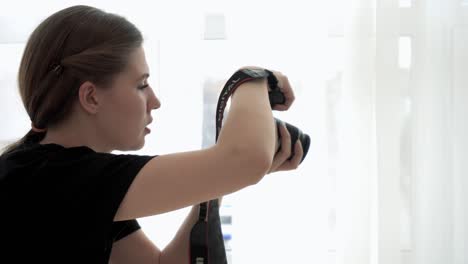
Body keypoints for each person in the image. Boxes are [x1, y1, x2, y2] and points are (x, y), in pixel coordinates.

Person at [0, 5, 304, 264]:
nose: (155, 101)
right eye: (141, 84)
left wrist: (220, 183)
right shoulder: (49, 178)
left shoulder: (65, 176)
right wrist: (250, 77)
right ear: (91, 97)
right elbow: (245, 159)